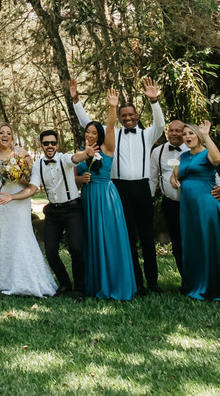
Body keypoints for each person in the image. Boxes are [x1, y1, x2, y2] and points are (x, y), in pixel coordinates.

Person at [71, 77, 165, 294]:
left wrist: (154, 101)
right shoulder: (111, 135)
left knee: (147, 236)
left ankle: (153, 282)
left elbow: (160, 124)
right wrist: (76, 100)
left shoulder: (147, 135)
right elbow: (87, 123)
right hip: (118, 189)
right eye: (124, 116)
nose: (128, 118)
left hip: (142, 188)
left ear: (137, 116)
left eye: (131, 115)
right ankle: (136, 282)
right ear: (120, 119)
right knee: (127, 237)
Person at [72, 92, 137, 301]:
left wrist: (112, 107)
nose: (89, 135)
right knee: (92, 239)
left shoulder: (107, 148)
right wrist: (81, 180)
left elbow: (110, 128)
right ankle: (95, 284)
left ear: (99, 135)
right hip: (89, 198)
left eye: (93, 132)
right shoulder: (81, 153)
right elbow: (73, 177)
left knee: (109, 238)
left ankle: (115, 283)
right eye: (87, 132)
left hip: (106, 197)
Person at [0, 123, 57, 297]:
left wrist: (14, 172)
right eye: (1, 132)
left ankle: (26, 279)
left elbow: (30, 180)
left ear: (13, 137)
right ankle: (0, 280)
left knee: (20, 233)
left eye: (8, 133)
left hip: (17, 200)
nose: (5, 135)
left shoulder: (22, 153)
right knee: (1, 233)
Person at [172, 121, 220, 304]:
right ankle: (194, 285)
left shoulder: (207, 154)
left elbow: (217, 159)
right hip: (188, 208)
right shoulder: (182, 156)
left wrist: (207, 135)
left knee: (210, 243)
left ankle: (216, 287)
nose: (187, 137)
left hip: (206, 206)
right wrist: (173, 181)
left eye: (191, 134)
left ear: (198, 136)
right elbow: (175, 176)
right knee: (193, 244)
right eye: (185, 135)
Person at [31, 128, 86, 300]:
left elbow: (75, 158)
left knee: (76, 249)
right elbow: (33, 186)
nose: (50, 146)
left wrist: (87, 153)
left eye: (53, 143)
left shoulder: (64, 158)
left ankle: (80, 289)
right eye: (46, 143)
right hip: (53, 211)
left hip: (72, 209)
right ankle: (65, 283)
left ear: (57, 144)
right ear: (41, 145)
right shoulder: (38, 164)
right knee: (51, 252)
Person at [149, 117, 187, 283]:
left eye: (178, 130)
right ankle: (186, 280)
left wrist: (219, 188)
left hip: (191, 203)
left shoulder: (192, 148)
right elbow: (152, 178)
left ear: (184, 132)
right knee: (177, 242)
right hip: (170, 204)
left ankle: (200, 278)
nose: (173, 133)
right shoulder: (158, 152)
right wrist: (148, 199)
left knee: (193, 240)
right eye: (171, 130)